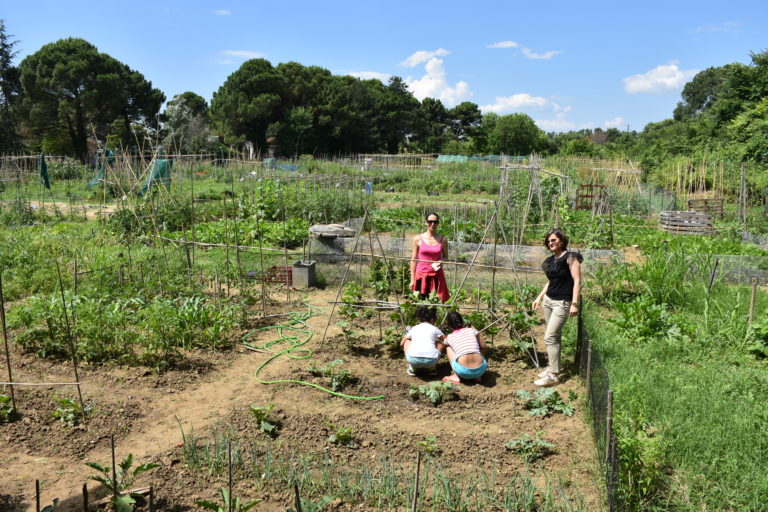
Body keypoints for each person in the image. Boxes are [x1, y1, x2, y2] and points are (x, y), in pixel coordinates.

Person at [532, 228, 582, 387]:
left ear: (561, 240)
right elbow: (551, 281)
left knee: (549, 337)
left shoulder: (570, 257)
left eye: (553, 240)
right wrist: (539, 297)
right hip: (548, 301)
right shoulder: (551, 260)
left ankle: (553, 375)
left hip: (562, 303)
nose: (550, 243)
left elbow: (577, 281)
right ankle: (554, 367)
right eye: (548, 241)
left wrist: (574, 303)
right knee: (554, 337)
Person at [410, 212, 450, 303]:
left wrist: (440, 261)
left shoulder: (443, 239)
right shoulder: (418, 239)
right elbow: (413, 260)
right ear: (426, 222)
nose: (432, 224)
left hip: (436, 276)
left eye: (435, 222)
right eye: (430, 221)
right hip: (421, 276)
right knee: (420, 302)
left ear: (438, 223)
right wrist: (412, 280)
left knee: (436, 302)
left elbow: (446, 257)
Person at [441, 312, 487, 384]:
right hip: (481, 369)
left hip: (463, 372)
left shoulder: (449, 337)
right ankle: (477, 377)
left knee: (448, 348)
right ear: (462, 321)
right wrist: (477, 331)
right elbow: (484, 347)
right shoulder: (472, 330)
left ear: (449, 326)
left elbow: (443, 348)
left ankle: (456, 376)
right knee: (477, 349)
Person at [401, 306, 445, 376]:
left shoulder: (414, 328)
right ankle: (432, 368)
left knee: (407, 341)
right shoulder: (435, 329)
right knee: (439, 343)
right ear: (432, 320)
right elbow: (446, 340)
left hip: (413, 359)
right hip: (431, 361)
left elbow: (401, 343)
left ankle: (412, 367)